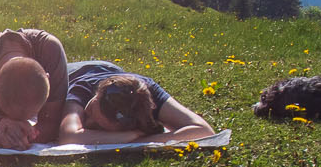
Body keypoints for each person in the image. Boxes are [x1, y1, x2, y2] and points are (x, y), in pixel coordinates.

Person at [57, 60, 215, 146]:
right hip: (74, 71)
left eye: (99, 126)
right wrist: (130, 137)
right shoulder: (83, 88)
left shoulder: (145, 94)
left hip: (114, 70)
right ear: (97, 93)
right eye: (90, 110)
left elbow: (204, 130)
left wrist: (140, 141)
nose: (87, 121)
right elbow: (69, 136)